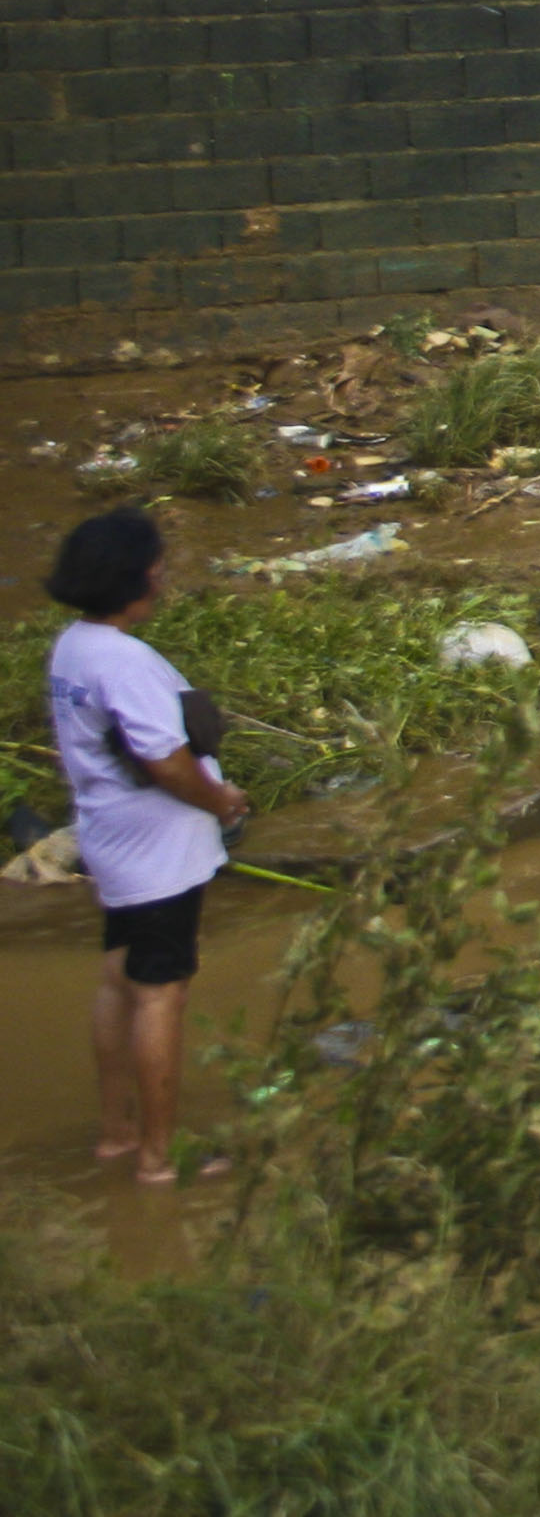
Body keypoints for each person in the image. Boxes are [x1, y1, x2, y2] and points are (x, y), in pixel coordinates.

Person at [44, 509, 246, 1187]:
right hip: (159, 850)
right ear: (135, 578)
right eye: (157, 566)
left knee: (119, 979)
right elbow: (164, 759)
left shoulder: (74, 646)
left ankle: (117, 1133)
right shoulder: (124, 661)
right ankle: (159, 1161)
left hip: (112, 836)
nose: (163, 576)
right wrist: (222, 800)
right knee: (162, 992)